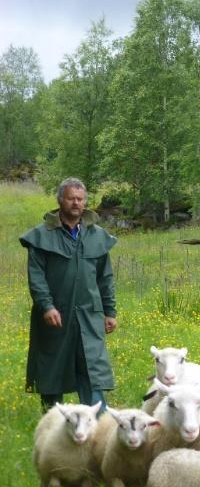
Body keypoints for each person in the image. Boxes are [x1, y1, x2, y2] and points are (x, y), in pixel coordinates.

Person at [20, 177, 118, 412]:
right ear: (60, 200)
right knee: (52, 366)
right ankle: (53, 419)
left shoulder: (97, 236)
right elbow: (37, 278)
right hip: (56, 315)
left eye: (80, 199)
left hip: (89, 315)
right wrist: (47, 306)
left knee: (92, 366)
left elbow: (105, 278)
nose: (76, 203)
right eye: (71, 198)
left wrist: (109, 311)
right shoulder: (41, 236)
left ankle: (98, 421)